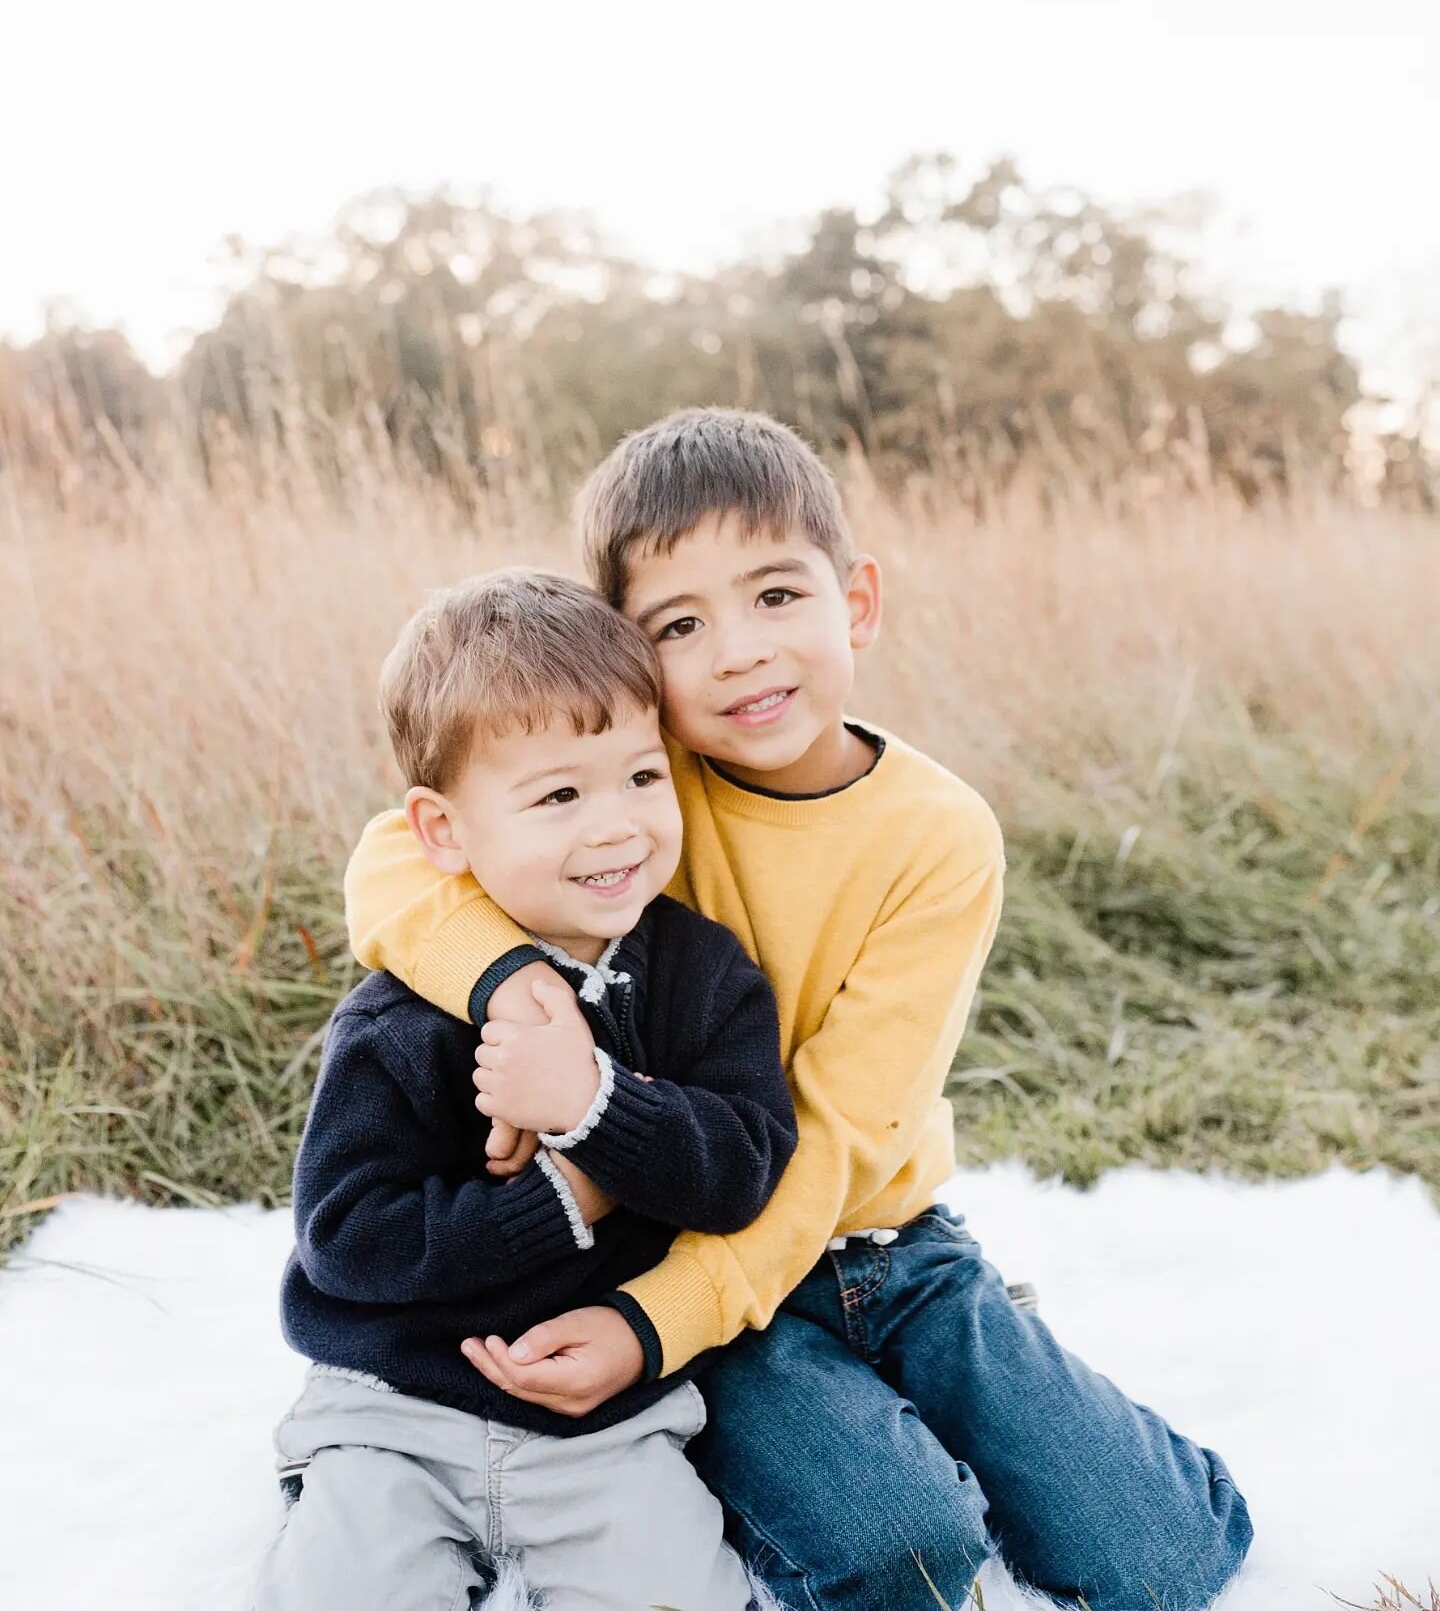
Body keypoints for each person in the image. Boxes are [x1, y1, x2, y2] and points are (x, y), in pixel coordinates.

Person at [345, 408, 1254, 1611]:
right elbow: (391, 865)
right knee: (907, 1548)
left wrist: (650, 1327)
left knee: (1158, 1559)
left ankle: (999, 1385)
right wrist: (519, 986)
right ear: (630, 657)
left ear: (856, 601)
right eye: (680, 624)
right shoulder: (635, 795)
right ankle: (822, 1435)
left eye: (777, 595)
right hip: (686, 1231)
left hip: (885, 1239)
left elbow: (833, 1141)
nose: (737, 654)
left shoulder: (937, 837)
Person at [252, 569, 796, 1611]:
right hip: (395, 1409)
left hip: (606, 1429)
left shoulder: (704, 976)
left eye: (643, 776)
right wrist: (558, 1205)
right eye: (558, 794)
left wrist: (597, 1109)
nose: (617, 826)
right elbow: (347, 1234)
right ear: (444, 830)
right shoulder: (399, 1015)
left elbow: (742, 1167)